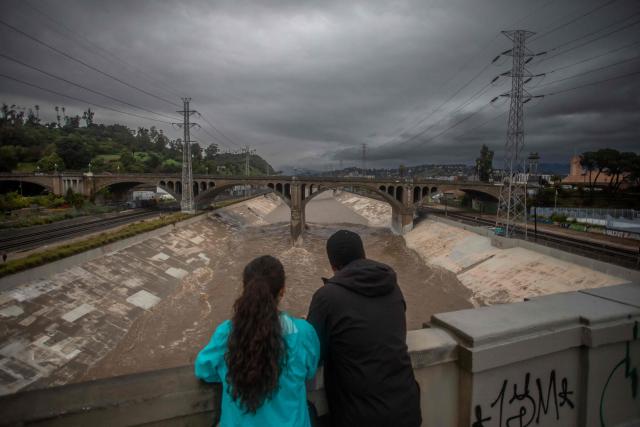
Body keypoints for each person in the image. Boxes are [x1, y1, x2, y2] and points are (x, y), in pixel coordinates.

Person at [307, 230, 421, 427]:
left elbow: (312, 355)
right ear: (363, 254)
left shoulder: (326, 297)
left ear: (333, 266)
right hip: (408, 408)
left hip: (359, 417)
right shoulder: (392, 285)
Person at [195, 255, 320, 427]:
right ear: (282, 291)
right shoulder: (304, 332)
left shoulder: (227, 332)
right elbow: (310, 371)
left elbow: (204, 370)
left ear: (245, 289)